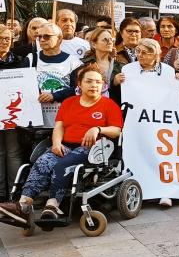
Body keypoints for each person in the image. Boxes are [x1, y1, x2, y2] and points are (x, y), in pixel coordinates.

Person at [0, 65, 123, 228]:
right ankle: (23, 205)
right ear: (79, 84)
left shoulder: (108, 105)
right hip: (65, 145)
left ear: (103, 85)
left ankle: (53, 206)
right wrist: (56, 143)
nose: (94, 85)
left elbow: (116, 130)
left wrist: (97, 129)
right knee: (43, 162)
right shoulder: (69, 103)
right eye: (89, 81)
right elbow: (59, 127)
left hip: (92, 149)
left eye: (98, 82)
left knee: (62, 165)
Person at [0, 26, 27, 202]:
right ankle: (1, 192)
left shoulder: (20, 60)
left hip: (11, 112)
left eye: (6, 39)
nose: (3, 42)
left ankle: (14, 191)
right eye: (0, 38)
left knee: (13, 152)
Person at [33, 23, 81, 104]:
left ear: (59, 38)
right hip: (37, 112)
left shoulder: (74, 63)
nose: (42, 40)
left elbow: (78, 88)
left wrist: (55, 95)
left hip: (63, 112)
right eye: (39, 37)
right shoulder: (31, 59)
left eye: (47, 36)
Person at [80, 27, 125, 102]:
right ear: (94, 44)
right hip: (90, 106)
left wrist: (115, 84)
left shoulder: (120, 66)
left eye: (111, 39)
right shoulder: (84, 64)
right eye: (105, 39)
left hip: (112, 106)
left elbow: (123, 93)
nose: (110, 42)